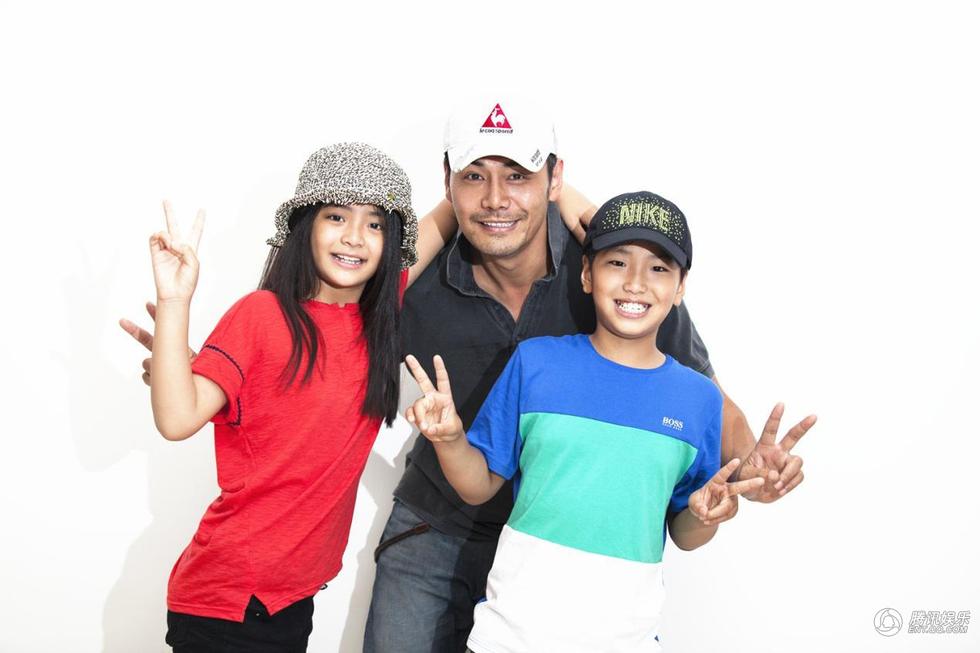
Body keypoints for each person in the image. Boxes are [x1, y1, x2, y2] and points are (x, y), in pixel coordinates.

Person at [363, 99, 814, 653]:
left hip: (568, 561)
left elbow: (714, 407)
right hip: (438, 523)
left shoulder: (614, 275)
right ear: (448, 182)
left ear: (554, 179)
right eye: (473, 176)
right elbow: (360, 290)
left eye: (519, 175)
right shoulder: (422, 281)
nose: (496, 198)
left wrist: (754, 475)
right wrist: (451, 213)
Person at [142, 142, 455, 652]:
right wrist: (175, 303)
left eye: (375, 223)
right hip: (230, 603)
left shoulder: (376, 319)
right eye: (336, 216)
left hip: (290, 600)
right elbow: (177, 418)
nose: (354, 236)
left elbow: (446, 216)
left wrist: (528, 173)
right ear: (305, 225)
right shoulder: (262, 315)